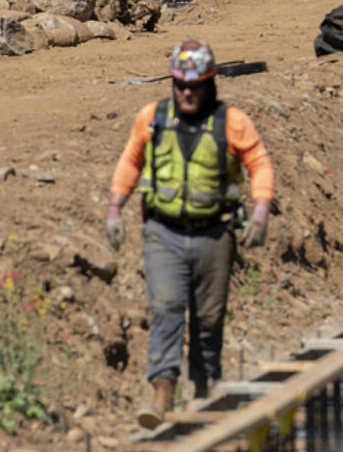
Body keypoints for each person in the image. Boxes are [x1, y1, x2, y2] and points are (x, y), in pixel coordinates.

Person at [103, 39, 275, 429]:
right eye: (180, 85)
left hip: (215, 234)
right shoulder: (152, 118)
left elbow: (259, 163)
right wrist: (115, 208)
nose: (186, 93)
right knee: (166, 307)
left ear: (210, 84)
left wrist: (261, 210)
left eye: (194, 86)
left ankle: (203, 388)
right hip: (163, 232)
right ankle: (162, 392)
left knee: (209, 317)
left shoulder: (232, 122)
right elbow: (131, 161)